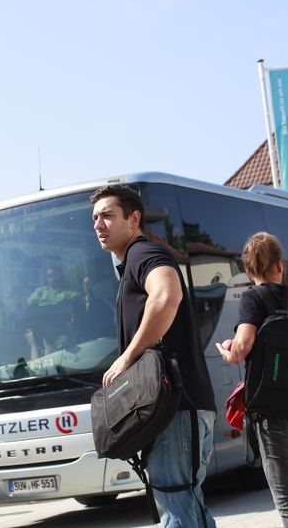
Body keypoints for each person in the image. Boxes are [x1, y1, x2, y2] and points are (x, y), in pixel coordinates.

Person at [91, 185, 216, 527]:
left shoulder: (143, 253)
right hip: (181, 406)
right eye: (94, 218)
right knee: (188, 509)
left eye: (107, 215)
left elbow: (167, 295)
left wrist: (128, 356)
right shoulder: (136, 257)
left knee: (177, 513)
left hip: (175, 408)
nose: (99, 224)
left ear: (134, 219)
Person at [217, 232, 288, 528]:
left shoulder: (253, 298)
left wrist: (228, 353)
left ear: (248, 269)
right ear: (280, 264)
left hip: (277, 414)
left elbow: (242, 347)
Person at [25, 264, 80, 357]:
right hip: (43, 328)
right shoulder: (40, 292)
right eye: (49, 275)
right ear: (46, 278)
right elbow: (29, 307)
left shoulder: (70, 291)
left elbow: (77, 303)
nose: (52, 278)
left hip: (64, 327)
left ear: (61, 276)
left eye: (55, 275)